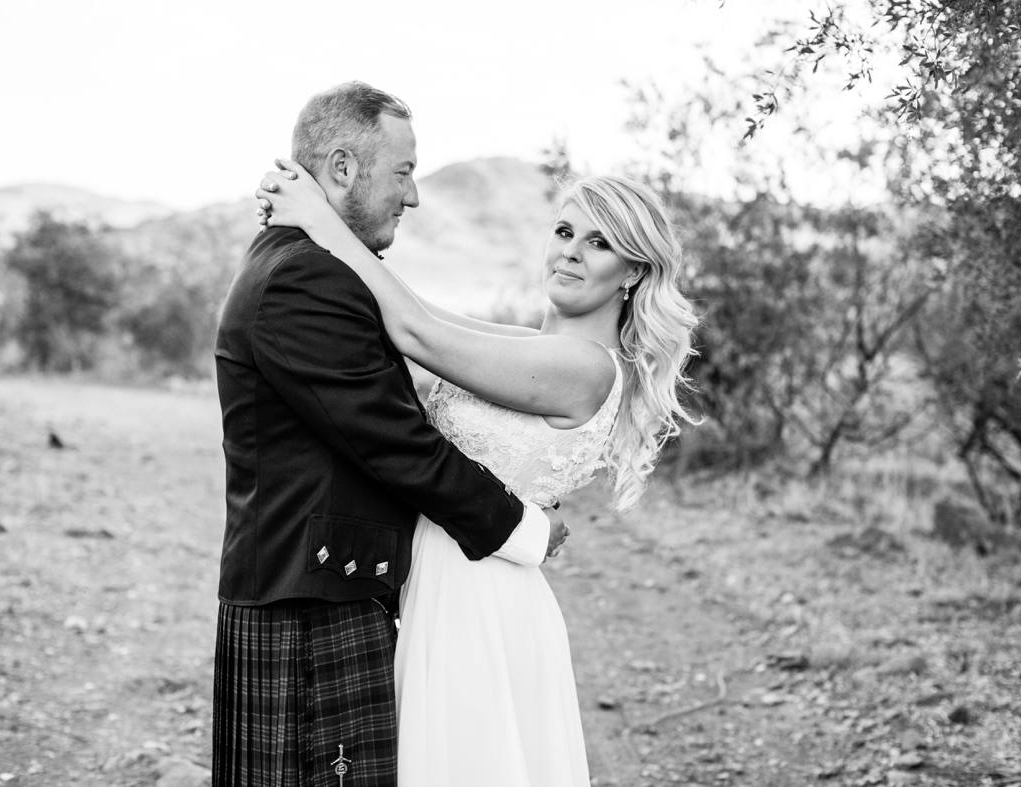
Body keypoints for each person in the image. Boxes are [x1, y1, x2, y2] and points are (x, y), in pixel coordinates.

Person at [255, 153, 699, 786]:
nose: (570, 252)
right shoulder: (533, 346)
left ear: (632, 272)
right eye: (565, 232)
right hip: (445, 582)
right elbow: (420, 315)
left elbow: (418, 335)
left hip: (479, 602)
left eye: (600, 243)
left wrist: (320, 220)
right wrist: (324, 224)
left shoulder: (587, 368)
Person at [213, 81, 568, 787]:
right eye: (403, 173)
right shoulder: (304, 281)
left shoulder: (313, 264)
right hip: (309, 611)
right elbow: (398, 445)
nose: (412, 197)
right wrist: (525, 529)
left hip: (318, 594)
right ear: (342, 169)